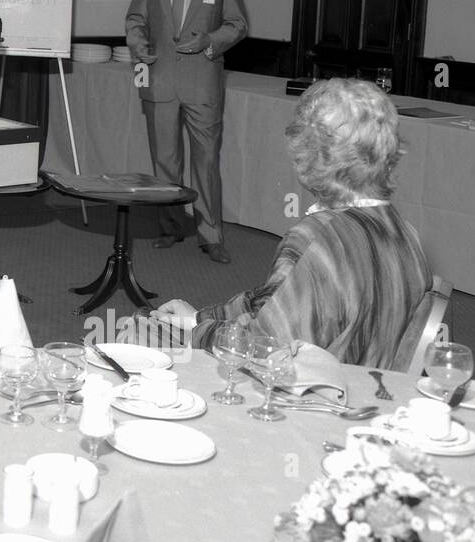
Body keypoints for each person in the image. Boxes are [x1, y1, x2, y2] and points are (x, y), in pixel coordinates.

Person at [152, 79, 432, 368]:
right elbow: (274, 300)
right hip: (373, 391)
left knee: (144, 338)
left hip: (314, 396)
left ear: (310, 154)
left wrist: (196, 332)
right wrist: (200, 317)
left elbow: (265, 349)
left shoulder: (316, 237)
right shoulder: (405, 233)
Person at [125, 0, 248, 264]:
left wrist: (209, 40)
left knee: (205, 161)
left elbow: (237, 24)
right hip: (159, 78)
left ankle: (210, 235)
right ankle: (169, 227)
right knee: (164, 161)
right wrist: (138, 44)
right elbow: (136, 18)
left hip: (203, 81)